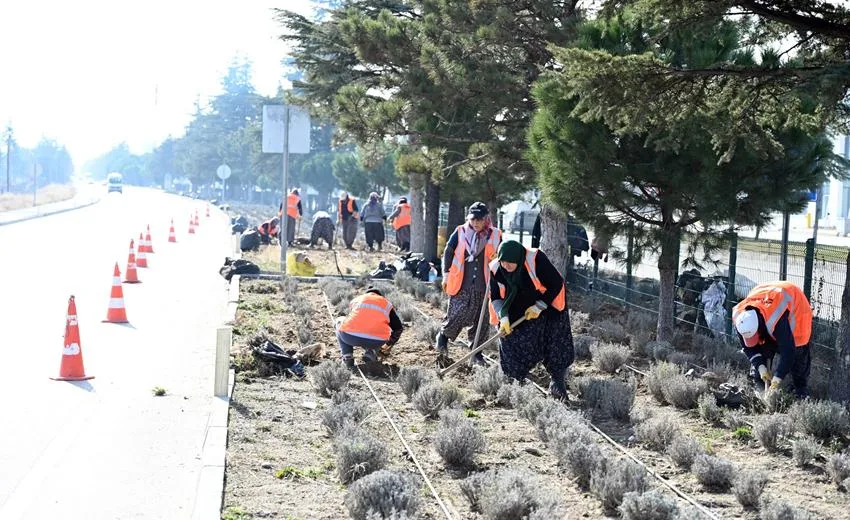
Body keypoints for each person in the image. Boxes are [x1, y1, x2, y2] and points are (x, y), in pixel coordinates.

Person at [488, 240, 574, 401]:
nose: (505, 266)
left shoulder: (536, 259)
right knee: (511, 341)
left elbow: (556, 283)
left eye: (510, 263)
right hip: (515, 307)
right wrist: (503, 317)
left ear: (518, 259)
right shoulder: (496, 269)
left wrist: (539, 306)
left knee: (555, 343)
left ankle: (558, 383)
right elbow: (496, 296)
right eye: (503, 262)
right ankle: (515, 382)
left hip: (549, 305)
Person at [437, 202, 502, 365]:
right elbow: (448, 251)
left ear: (486, 219)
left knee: (482, 319)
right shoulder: (460, 232)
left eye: (479, 220)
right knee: (457, 313)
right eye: (473, 219)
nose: (475, 223)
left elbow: (501, 256)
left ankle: (476, 353)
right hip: (461, 282)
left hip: (484, 284)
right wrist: (445, 274)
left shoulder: (495, 234)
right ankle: (443, 337)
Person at [733, 281, 813, 398]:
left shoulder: (775, 318)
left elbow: (788, 352)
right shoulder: (740, 319)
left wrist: (777, 378)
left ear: (759, 327)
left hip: (797, 308)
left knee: (798, 352)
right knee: (761, 351)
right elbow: (748, 348)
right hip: (767, 299)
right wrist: (760, 366)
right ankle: (759, 387)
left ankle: (800, 391)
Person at [336, 287, 404, 368]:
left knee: (339, 321)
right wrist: (388, 345)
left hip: (350, 336)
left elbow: (351, 318)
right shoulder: (386, 304)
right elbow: (398, 328)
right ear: (380, 296)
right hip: (376, 341)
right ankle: (371, 352)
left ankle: (347, 357)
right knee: (385, 329)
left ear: (367, 294)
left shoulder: (357, 299)